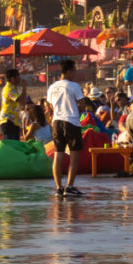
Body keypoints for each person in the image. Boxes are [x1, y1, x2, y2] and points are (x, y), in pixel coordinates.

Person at [47, 59, 86, 197]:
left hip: (56, 122)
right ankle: (69, 186)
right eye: (74, 71)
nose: (75, 74)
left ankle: (58, 187)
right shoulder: (73, 86)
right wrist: (75, 111)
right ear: (69, 71)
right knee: (74, 156)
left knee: (58, 155)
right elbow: (82, 105)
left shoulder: (52, 87)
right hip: (71, 122)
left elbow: (50, 106)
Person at [0, 68, 26, 140]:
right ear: (12, 78)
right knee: (10, 146)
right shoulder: (9, 89)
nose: (20, 79)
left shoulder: (13, 88)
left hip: (13, 121)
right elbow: (21, 100)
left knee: (15, 146)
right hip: (7, 121)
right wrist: (24, 88)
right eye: (18, 77)